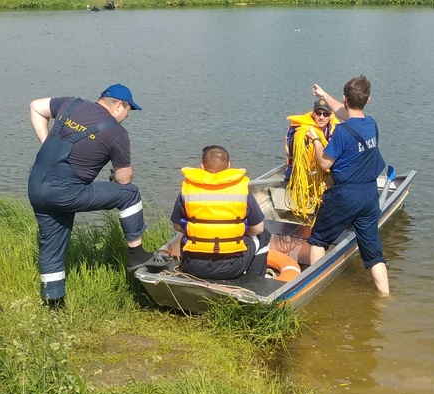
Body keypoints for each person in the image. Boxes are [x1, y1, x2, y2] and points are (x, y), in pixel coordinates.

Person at [28, 84, 151, 308]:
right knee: (130, 195)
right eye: (128, 111)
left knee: (52, 244)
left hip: (37, 187)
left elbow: (36, 107)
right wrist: (115, 176)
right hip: (66, 191)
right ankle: (137, 254)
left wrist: (47, 143)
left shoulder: (71, 104)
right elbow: (124, 179)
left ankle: (54, 305)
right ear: (119, 106)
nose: (127, 117)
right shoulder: (117, 133)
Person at [307, 76, 390, 295]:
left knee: (318, 239)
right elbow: (346, 114)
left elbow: (325, 163)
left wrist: (315, 140)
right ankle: (385, 296)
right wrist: (324, 95)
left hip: (345, 194)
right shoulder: (371, 124)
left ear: (344, 98)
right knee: (373, 254)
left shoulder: (342, 132)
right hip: (369, 195)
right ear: (368, 99)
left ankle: (315, 289)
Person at [168, 145, 269, 281]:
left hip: (193, 265)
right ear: (228, 167)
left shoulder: (187, 191)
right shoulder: (242, 192)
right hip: (232, 267)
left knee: (187, 235)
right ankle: (254, 282)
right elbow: (258, 228)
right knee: (264, 236)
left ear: (202, 167)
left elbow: (177, 226)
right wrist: (238, 233)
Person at [284, 97, 338, 180]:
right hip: (301, 173)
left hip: (326, 171)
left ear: (331, 116)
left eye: (325, 114)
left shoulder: (337, 130)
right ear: (313, 113)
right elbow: (292, 152)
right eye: (318, 113)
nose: (321, 117)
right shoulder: (298, 129)